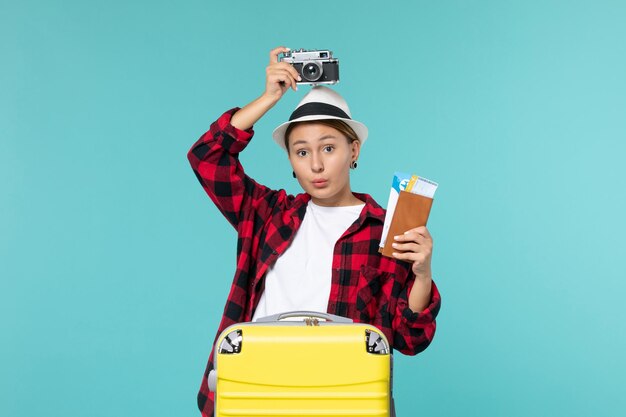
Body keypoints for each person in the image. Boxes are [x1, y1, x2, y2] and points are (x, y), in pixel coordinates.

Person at [187, 46, 442, 417]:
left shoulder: (384, 231)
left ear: (353, 150)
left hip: (339, 395)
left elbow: (409, 337)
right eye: (302, 152)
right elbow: (207, 157)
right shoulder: (267, 213)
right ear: (290, 159)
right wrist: (269, 98)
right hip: (255, 388)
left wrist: (422, 274)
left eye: (329, 147)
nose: (317, 165)